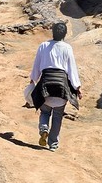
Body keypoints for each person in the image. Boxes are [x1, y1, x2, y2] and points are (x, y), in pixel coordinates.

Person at [25, 20, 80, 149]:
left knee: (45, 112)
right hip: (61, 85)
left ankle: (44, 129)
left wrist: (33, 79)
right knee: (57, 116)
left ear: (52, 32)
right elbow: (72, 68)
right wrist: (77, 87)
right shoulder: (67, 48)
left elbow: (37, 65)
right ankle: (53, 144)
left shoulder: (43, 46)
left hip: (46, 83)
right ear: (65, 34)